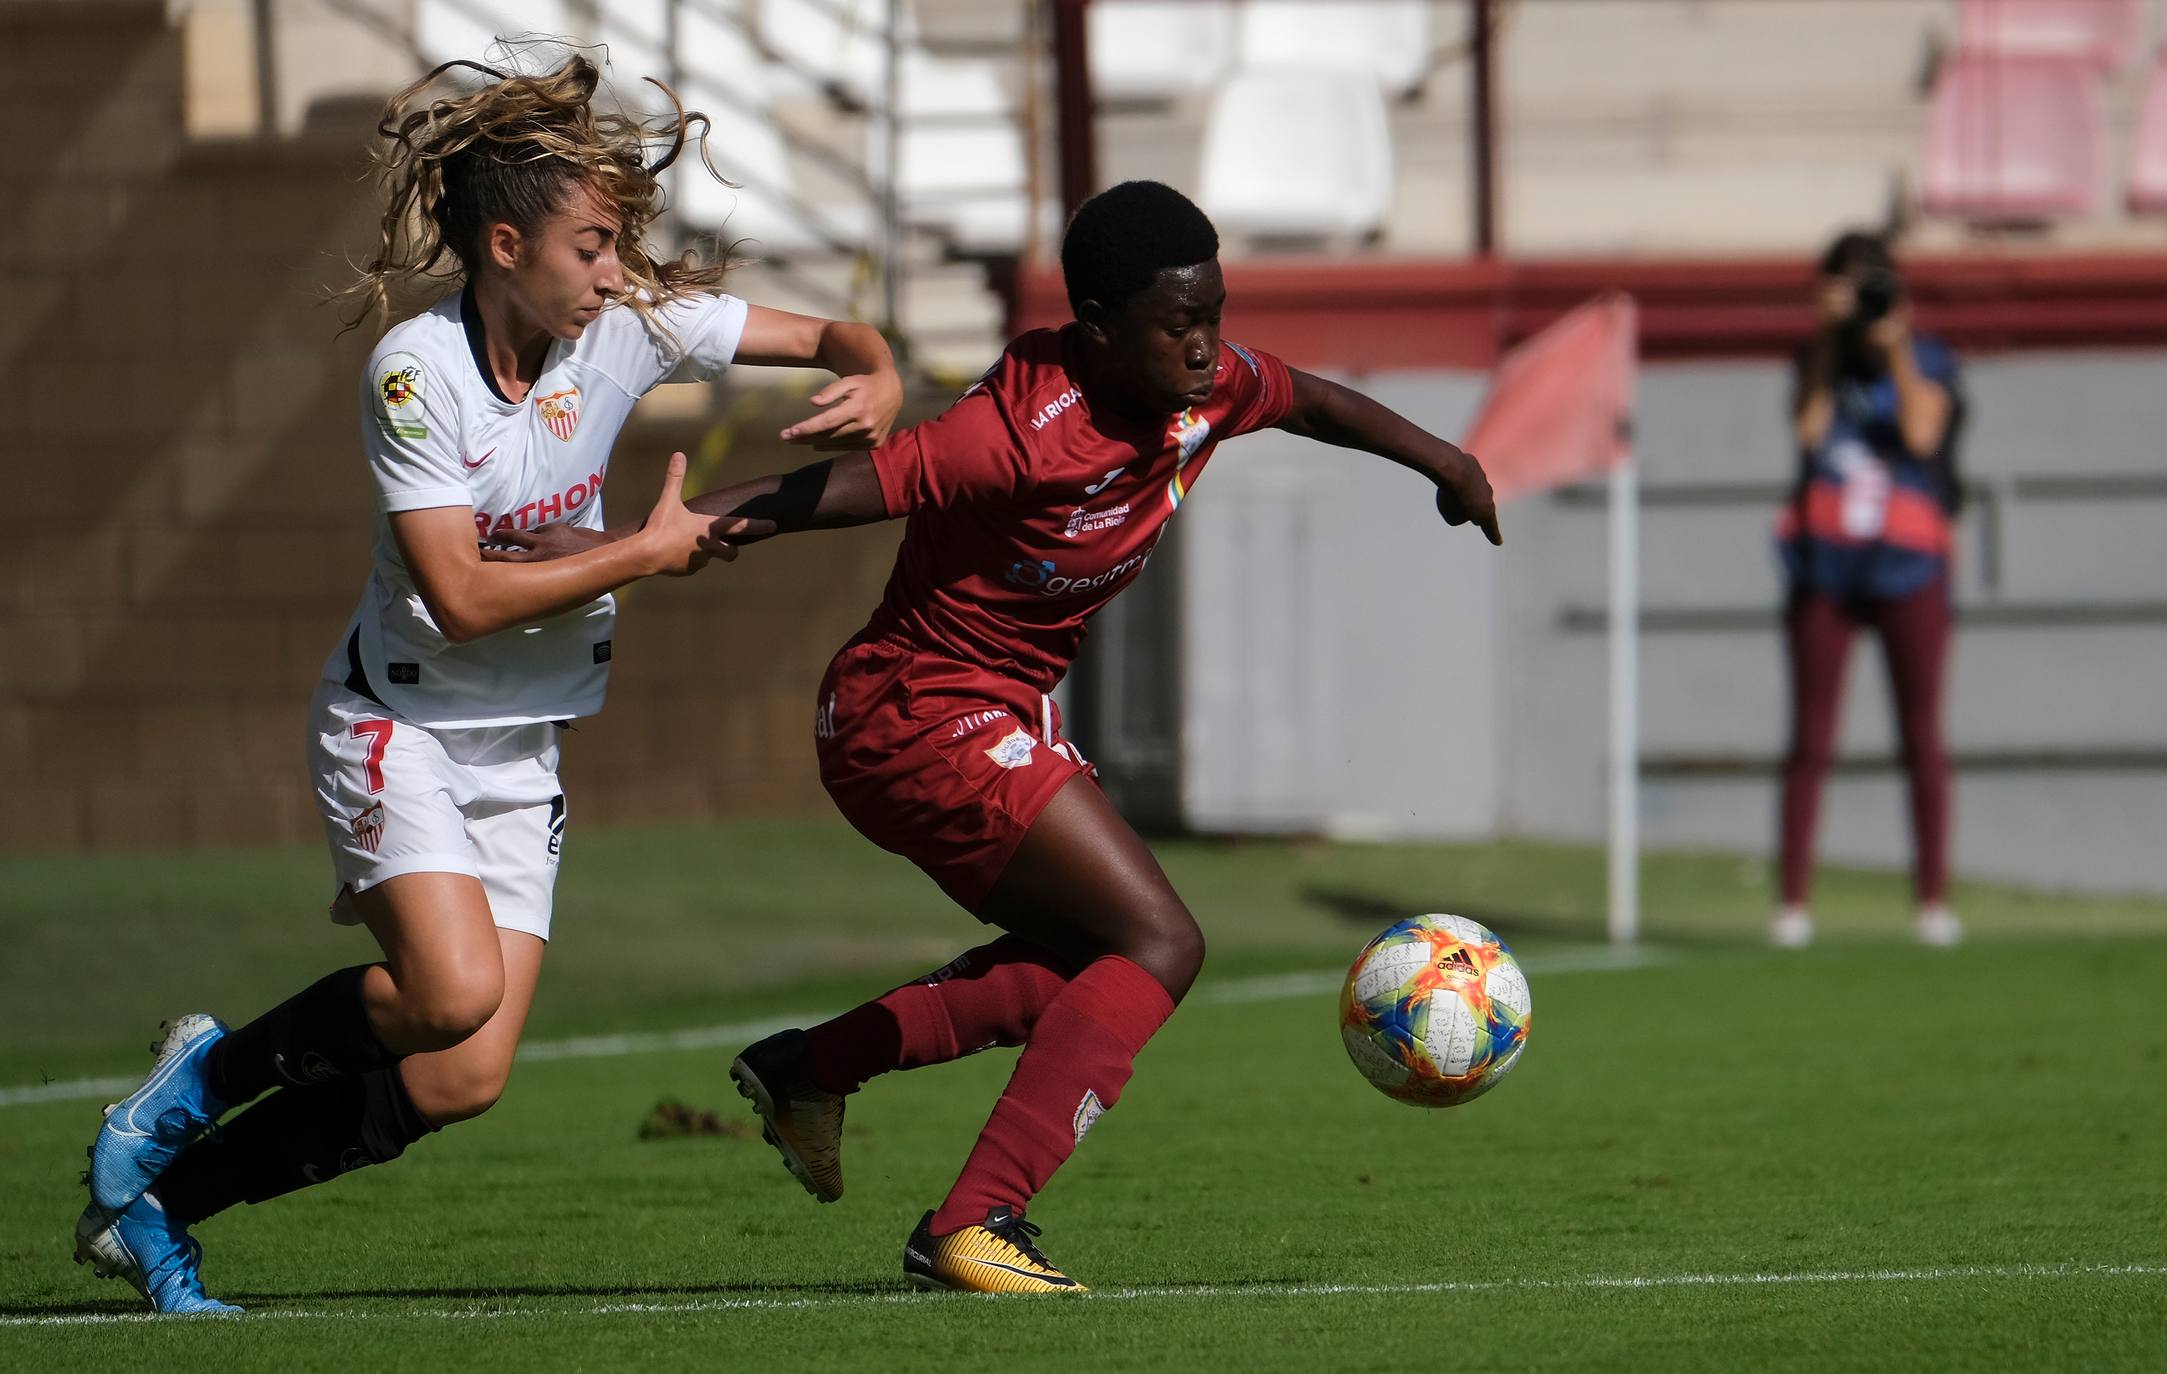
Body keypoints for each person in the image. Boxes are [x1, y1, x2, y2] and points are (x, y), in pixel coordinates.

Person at [502, 179, 1501, 1293]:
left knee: (1086, 962)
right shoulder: (1016, 431)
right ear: (1099, 325)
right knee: (1162, 943)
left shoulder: (1203, 387)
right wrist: (656, 537)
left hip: (993, 712)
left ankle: (808, 1069)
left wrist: (1446, 467)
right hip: (913, 713)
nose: (1208, 346)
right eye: (1180, 325)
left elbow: (1311, 400)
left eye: (1214, 314)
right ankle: (973, 1222)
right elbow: (841, 490)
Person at [73, 53, 902, 1316]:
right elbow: (458, 595)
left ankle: (163, 1216)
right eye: (592, 246)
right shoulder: (416, 371)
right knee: (449, 994)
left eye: (619, 246)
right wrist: (641, 552)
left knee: (461, 1074)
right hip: (397, 721)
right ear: (506, 244)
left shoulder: (622, 327)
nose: (617, 271)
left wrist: (880, 373)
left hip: (523, 748)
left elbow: (829, 334)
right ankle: (201, 1076)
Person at [1771, 230, 1964, 949]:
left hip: (1909, 567)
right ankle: (1791, 905)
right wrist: (1829, 342)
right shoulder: (1814, 359)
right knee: (1810, 738)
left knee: (1921, 736)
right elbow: (1808, 427)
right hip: (1825, 565)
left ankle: (1932, 903)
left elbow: (1921, 434)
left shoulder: (1930, 358)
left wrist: (1893, 346)